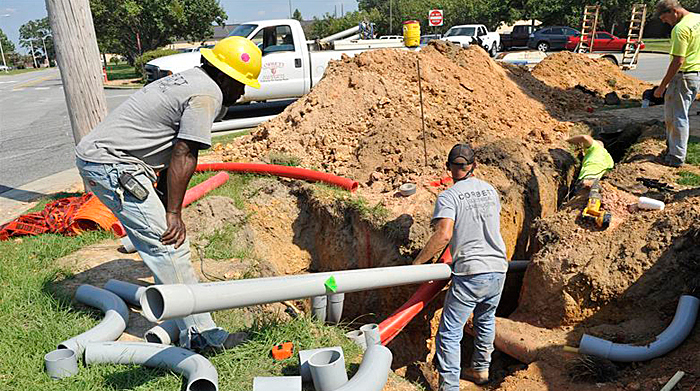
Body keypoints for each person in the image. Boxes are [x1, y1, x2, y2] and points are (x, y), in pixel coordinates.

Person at [74, 36, 262, 352]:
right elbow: (184, 152)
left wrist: (164, 201)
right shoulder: (206, 95)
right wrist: (172, 214)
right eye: (241, 83)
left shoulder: (191, 79)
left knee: (163, 239)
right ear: (224, 75)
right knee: (170, 246)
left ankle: (183, 316)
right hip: (113, 165)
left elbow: (168, 146)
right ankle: (203, 336)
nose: (243, 92)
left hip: (109, 160)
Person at [413, 143, 508, 388]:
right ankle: (480, 370)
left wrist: (418, 263)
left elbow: (444, 234)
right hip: (498, 268)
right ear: (473, 166)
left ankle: (450, 387)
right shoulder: (489, 190)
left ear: (448, 168)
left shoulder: (449, 196)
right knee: (485, 320)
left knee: (449, 332)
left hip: (472, 271)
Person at [654, 0, 700, 167]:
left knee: (676, 117)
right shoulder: (697, 19)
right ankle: (674, 152)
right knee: (679, 115)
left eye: (664, 18)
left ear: (673, 11)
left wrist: (662, 86)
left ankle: (675, 157)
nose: (664, 22)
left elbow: (678, 61)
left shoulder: (680, 29)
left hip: (683, 78)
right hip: (695, 75)